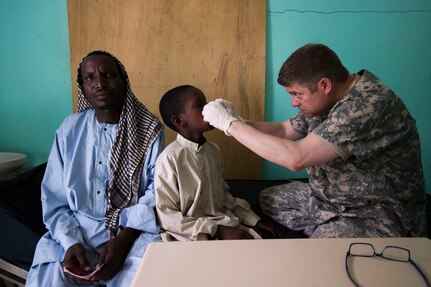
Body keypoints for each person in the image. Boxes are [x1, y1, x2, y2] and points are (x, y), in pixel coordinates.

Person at [202, 43, 426, 238]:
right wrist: (237, 120)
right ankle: (331, 225)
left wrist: (230, 125)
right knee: (269, 198)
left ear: (324, 85)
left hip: (373, 212)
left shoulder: (365, 106)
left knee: (320, 256)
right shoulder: (327, 99)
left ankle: (337, 231)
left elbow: (297, 158)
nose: (293, 103)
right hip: (333, 199)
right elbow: (284, 129)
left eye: (297, 94)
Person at [26, 51, 164, 286]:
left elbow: (157, 191)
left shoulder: (149, 130)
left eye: (108, 75)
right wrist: (71, 242)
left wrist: (122, 242)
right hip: (77, 230)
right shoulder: (69, 130)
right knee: (49, 277)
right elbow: (55, 199)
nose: (99, 84)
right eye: (90, 78)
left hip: (131, 231)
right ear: (83, 87)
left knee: (148, 276)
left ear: (123, 80)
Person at [155, 85, 281, 241]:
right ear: (179, 121)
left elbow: (222, 198)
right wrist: (218, 231)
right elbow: (167, 216)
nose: (209, 108)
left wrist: (253, 220)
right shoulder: (169, 159)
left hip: (226, 225)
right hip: (192, 235)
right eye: (200, 105)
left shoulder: (213, 151)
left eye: (207, 102)